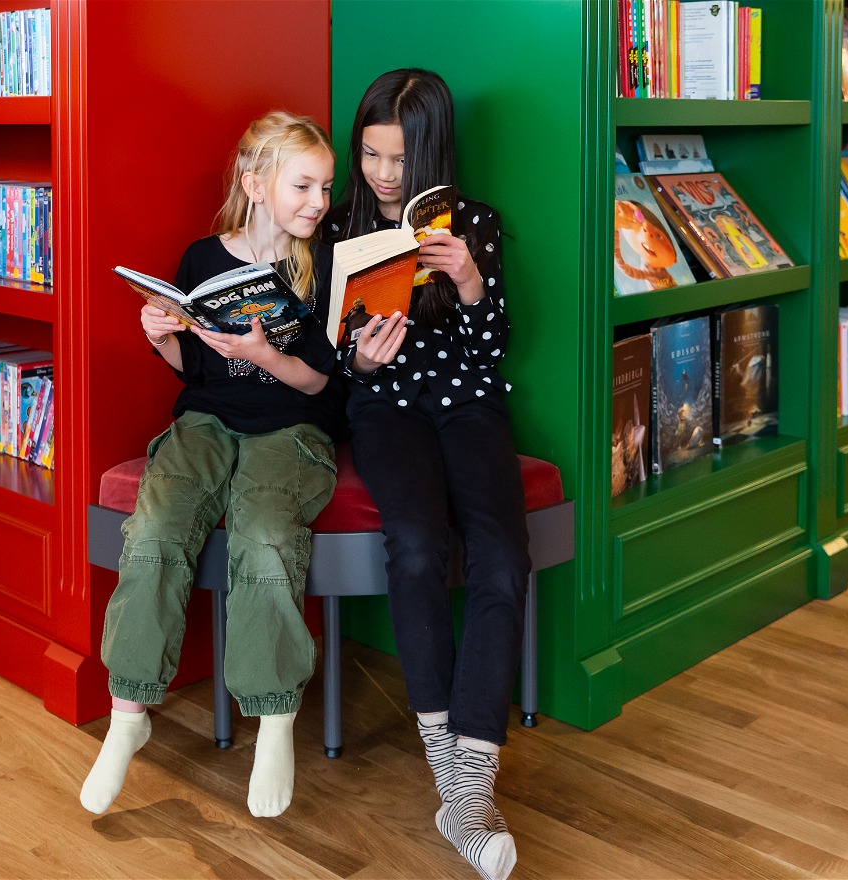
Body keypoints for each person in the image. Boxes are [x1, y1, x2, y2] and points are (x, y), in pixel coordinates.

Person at [80, 111, 342, 819]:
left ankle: (275, 717)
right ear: (256, 185)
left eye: (325, 185)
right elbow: (188, 369)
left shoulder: (327, 262)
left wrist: (263, 355)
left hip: (291, 427)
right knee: (159, 524)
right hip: (206, 420)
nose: (319, 201)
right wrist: (158, 332)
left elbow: (322, 382)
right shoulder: (202, 257)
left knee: (263, 534)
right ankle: (129, 712)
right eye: (304, 185)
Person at [324, 69, 530, 880]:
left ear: (432, 153)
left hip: (469, 406)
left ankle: (466, 791)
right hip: (386, 408)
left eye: (400, 159)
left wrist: (470, 281)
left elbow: (491, 349)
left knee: (501, 556)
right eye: (371, 155)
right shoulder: (338, 226)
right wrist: (359, 360)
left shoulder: (474, 222)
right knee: (413, 544)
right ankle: (463, 790)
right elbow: (328, 359)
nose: (382, 175)